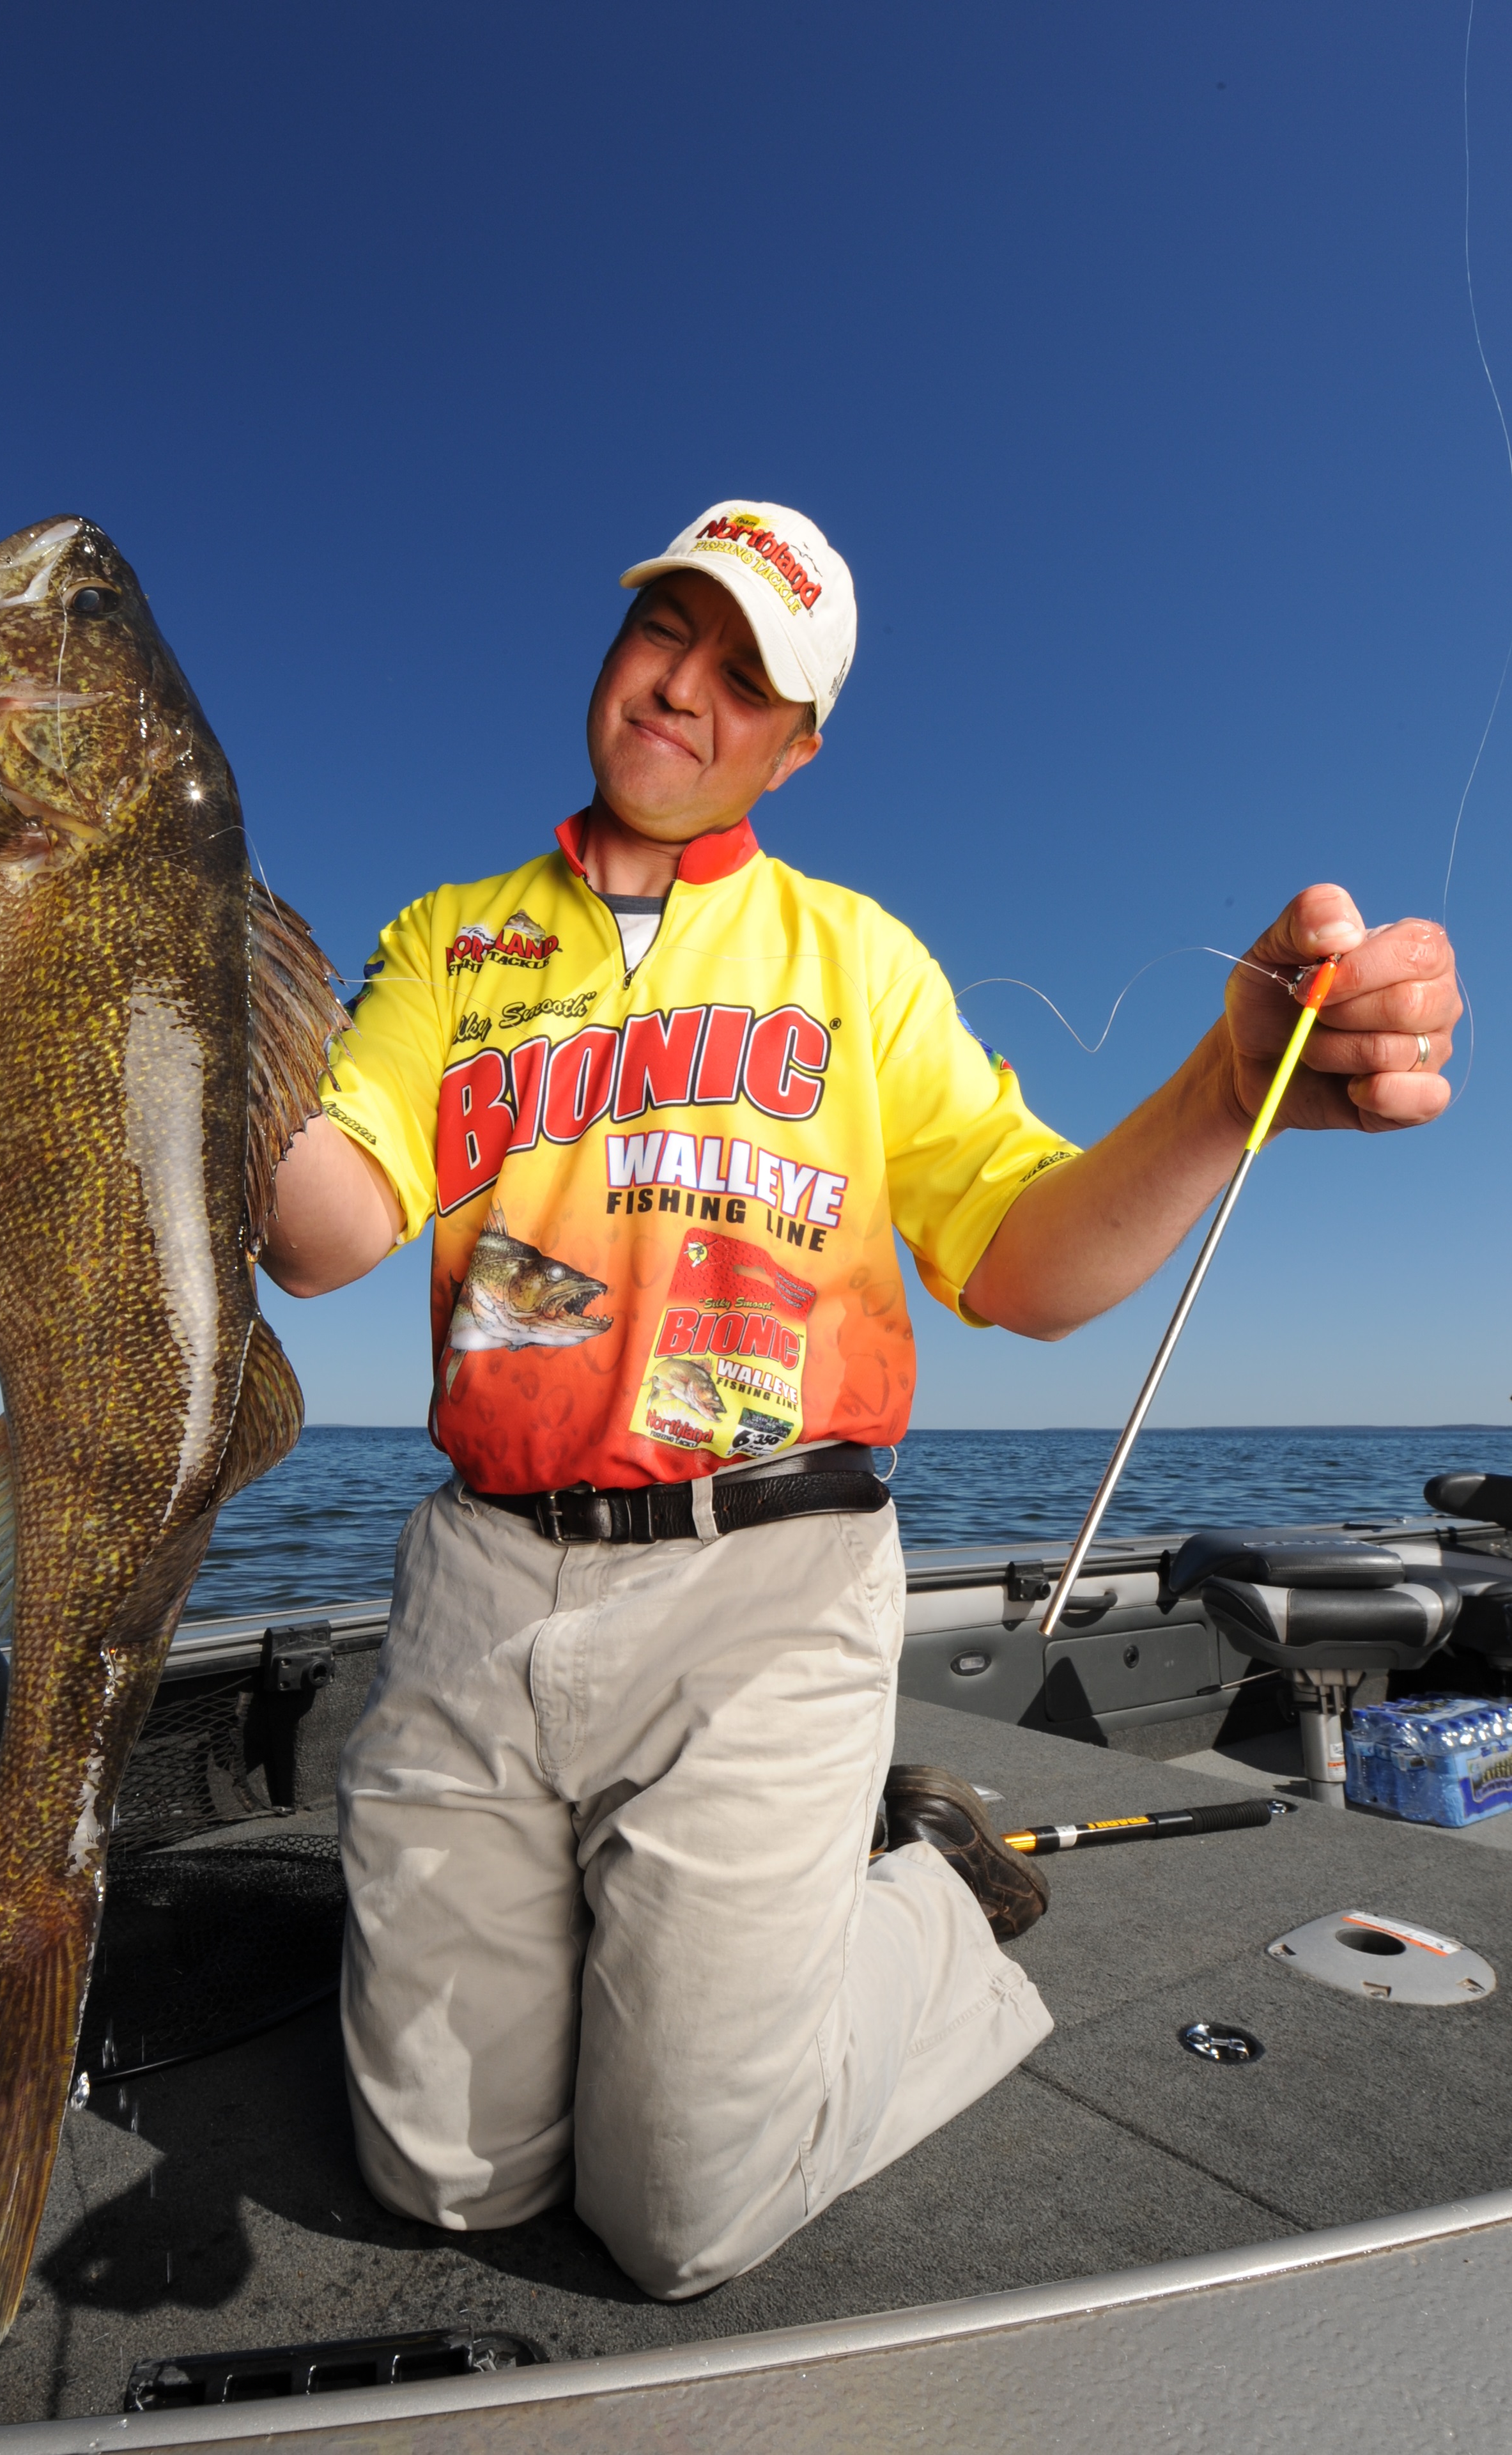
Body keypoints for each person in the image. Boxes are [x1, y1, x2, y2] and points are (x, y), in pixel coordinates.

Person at [263, 500, 1459, 2297]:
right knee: (443, 2183)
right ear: (615, 640)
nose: (687, 686)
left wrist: (1228, 1090)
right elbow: (320, 1229)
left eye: (749, 678)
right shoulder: (445, 942)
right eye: (669, 628)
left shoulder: (859, 963)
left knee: (676, 2218)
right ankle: (702, 1941)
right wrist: (140, 1002)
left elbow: (1025, 1266)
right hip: (483, 1583)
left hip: (769, 1583)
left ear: (797, 746)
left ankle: (930, 1901)